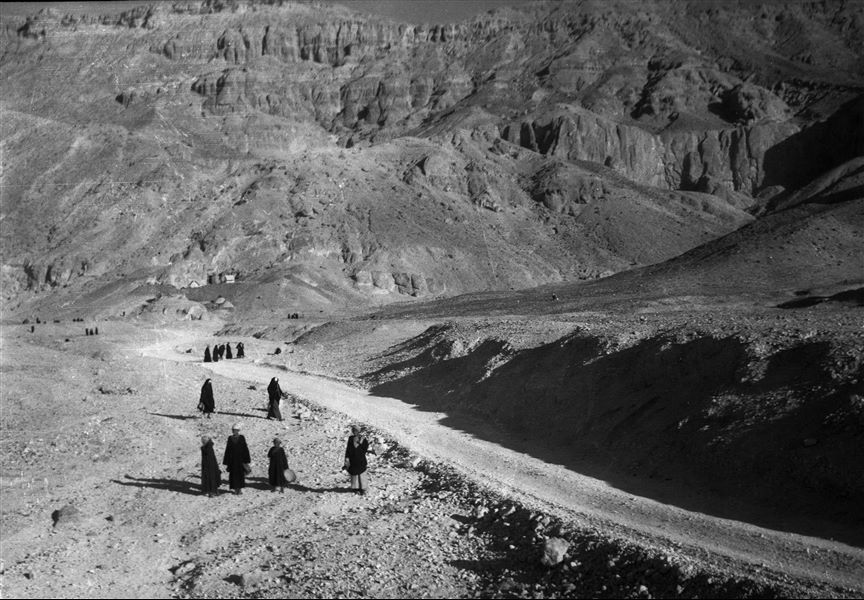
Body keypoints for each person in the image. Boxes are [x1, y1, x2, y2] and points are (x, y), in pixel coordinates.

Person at [344, 425, 373, 495]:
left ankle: (363, 488)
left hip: (360, 459)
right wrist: (347, 458)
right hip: (353, 459)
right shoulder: (350, 438)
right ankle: (355, 488)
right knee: (354, 474)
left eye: (356, 430)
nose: (354, 432)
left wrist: (361, 442)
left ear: (359, 431)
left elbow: (365, 448)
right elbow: (348, 449)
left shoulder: (362, 439)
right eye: (353, 430)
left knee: (362, 474)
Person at [223, 424, 251, 495]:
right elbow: (228, 449)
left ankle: (240, 489)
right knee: (233, 476)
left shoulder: (242, 438)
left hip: (240, 460)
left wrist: (246, 459)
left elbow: (245, 448)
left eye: (235, 430)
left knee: (240, 475)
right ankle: (235, 489)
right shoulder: (230, 438)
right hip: (232, 461)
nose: (234, 431)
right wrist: (227, 461)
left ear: (238, 430)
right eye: (233, 430)